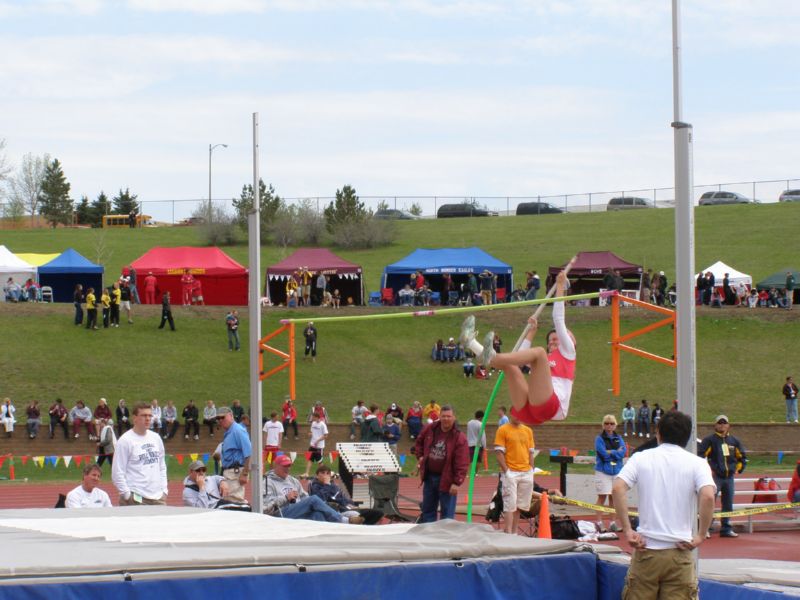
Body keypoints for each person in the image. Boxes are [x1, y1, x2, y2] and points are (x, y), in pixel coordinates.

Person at [613, 411, 716, 599]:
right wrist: (701, 534)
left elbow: (618, 488)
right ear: (688, 436)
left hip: (647, 549)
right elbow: (708, 496)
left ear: (658, 432)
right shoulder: (698, 463)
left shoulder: (641, 458)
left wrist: (628, 530)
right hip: (680, 549)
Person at [462, 270, 575, 425]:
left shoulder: (569, 353)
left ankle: (490, 356)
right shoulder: (543, 363)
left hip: (553, 407)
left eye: (556, 338)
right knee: (511, 367)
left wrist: (560, 286)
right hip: (533, 410)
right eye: (550, 340)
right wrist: (531, 332)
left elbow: (559, 319)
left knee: (539, 352)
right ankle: (472, 343)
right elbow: (519, 358)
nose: (552, 341)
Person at [263, 455, 364, 523]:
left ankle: (323, 544)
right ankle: (343, 520)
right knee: (313, 499)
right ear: (276, 466)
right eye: (284, 466)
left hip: (297, 512)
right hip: (279, 516)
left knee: (318, 514)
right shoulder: (268, 482)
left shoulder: (293, 481)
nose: (288, 468)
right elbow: (265, 508)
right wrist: (285, 497)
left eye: (289, 466)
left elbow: (304, 497)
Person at [413, 405, 469, 522]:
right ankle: (429, 537)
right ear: (439, 417)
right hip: (429, 477)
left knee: (447, 514)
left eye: (449, 416)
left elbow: (462, 462)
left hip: (447, 479)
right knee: (428, 510)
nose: (446, 419)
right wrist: (420, 456)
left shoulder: (459, 437)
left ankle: (445, 538)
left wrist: (457, 482)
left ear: (454, 417)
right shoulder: (430, 429)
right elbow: (419, 441)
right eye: (443, 416)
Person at [698, 414, 747, 538]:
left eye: (724, 423)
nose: (722, 425)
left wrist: (738, 469)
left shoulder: (734, 441)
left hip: (729, 477)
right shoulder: (710, 440)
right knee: (709, 502)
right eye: (720, 423)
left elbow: (742, 457)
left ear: (728, 425)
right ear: (715, 425)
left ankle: (726, 528)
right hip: (714, 478)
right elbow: (700, 456)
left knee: (728, 503)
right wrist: (708, 470)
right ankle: (706, 528)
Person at [111, 402, 169, 505]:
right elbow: (117, 472)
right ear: (135, 418)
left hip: (158, 497)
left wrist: (164, 490)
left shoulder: (156, 438)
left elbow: (162, 466)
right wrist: (127, 495)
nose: (147, 418)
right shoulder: (125, 440)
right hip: (135, 497)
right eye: (143, 415)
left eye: (150, 415)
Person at [494, 411, 535, 535]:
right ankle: (509, 531)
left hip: (525, 471)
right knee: (510, 504)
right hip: (511, 471)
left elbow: (531, 451)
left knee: (520, 504)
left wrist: (531, 469)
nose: (518, 417)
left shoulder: (528, 431)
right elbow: (498, 452)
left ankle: (515, 531)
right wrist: (506, 471)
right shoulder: (503, 430)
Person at [309, 464, 383, 524]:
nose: (325, 475)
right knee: (356, 515)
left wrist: (351, 504)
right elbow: (320, 500)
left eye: (327, 473)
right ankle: (361, 526)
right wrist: (327, 485)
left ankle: (364, 527)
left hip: (347, 507)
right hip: (337, 511)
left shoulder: (333, 485)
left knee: (378, 513)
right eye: (322, 473)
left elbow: (342, 497)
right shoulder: (315, 485)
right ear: (317, 475)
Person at [594, 415, 626, 529]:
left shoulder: (619, 438)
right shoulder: (599, 439)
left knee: (614, 497)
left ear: (615, 425)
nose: (609, 425)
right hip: (603, 471)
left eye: (612, 423)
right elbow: (603, 454)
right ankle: (599, 522)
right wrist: (615, 453)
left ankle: (613, 522)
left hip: (616, 471)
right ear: (603, 425)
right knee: (602, 496)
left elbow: (622, 453)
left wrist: (611, 452)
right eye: (607, 423)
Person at [217, 406, 251, 503]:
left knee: (234, 502)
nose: (220, 420)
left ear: (231, 416)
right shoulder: (229, 432)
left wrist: (245, 473)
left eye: (223, 417)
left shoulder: (238, 430)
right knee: (228, 501)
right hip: (229, 473)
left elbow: (249, 453)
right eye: (218, 418)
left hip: (234, 473)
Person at [302, 411, 329, 477]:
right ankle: (306, 473)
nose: (312, 418)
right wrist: (310, 434)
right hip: (312, 445)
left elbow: (326, 435)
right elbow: (312, 432)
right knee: (310, 460)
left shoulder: (322, 424)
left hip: (319, 446)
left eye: (313, 417)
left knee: (319, 462)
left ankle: (325, 474)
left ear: (317, 417)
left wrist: (318, 441)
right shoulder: (313, 423)